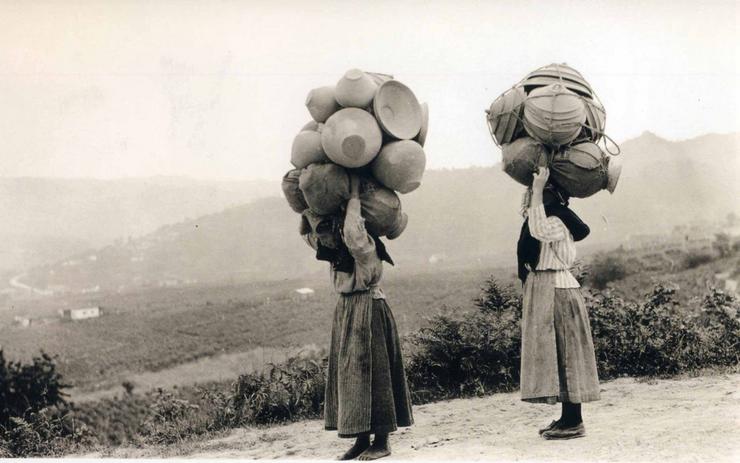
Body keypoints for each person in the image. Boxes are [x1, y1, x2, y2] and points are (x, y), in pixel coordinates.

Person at [301, 173, 413, 460]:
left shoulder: (366, 249)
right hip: (348, 310)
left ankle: (382, 441)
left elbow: (353, 234)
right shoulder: (336, 251)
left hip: (369, 308)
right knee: (352, 375)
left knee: (376, 373)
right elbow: (311, 235)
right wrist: (307, 206)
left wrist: (352, 199)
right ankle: (361, 439)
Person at [516, 167, 600, 440]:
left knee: (566, 353)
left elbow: (538, 228)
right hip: (546, 288)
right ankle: (567, 418)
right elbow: (530, 217)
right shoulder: (547, 215)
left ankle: (574, 421)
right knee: (556, 354)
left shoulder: (557, 221)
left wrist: (538, 188)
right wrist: (536, 189)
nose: (531, 198)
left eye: (539, 194)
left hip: (558, 290)